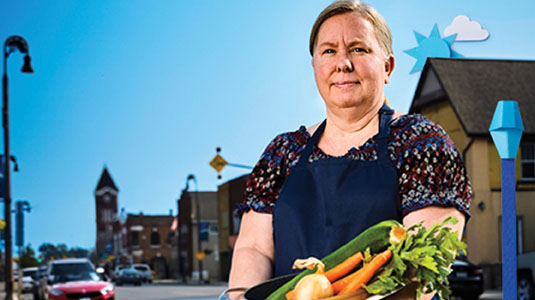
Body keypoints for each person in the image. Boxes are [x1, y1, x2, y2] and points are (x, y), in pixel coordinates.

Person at [228, 1, 471, 299]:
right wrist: (239, 295)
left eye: (358, 49)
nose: (342, 63)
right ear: (316, 66)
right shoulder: (282, 152)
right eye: (329, 51)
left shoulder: (422, 144)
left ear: (387, 67)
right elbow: (254, 248)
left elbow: (421, 268)